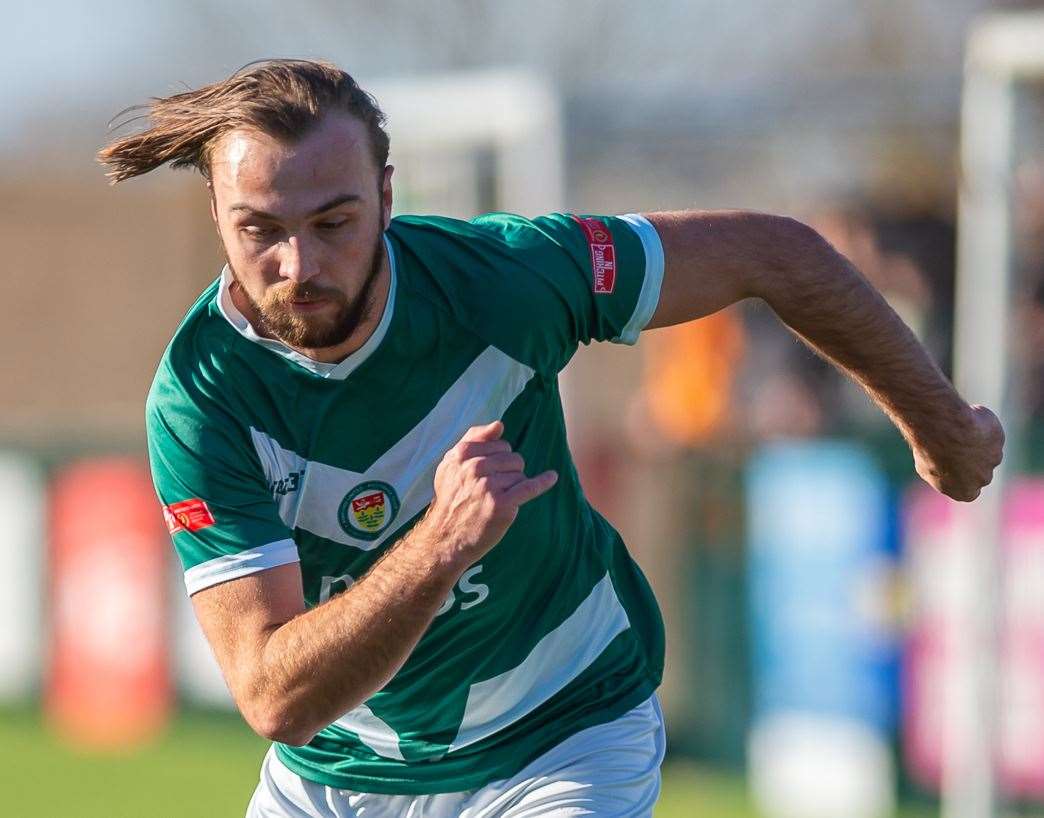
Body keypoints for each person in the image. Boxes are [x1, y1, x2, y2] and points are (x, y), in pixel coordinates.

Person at [98, 60, 1004, 818]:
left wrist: (942, 424)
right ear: (217, 213)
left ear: (384, 195)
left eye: (332, 223)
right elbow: (273, 695)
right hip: (337, 779)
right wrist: (441, 545)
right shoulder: (199, 400)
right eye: (260, 230)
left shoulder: (510, 279)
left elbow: (775, 253)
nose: (297, 268)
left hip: (561, 735)